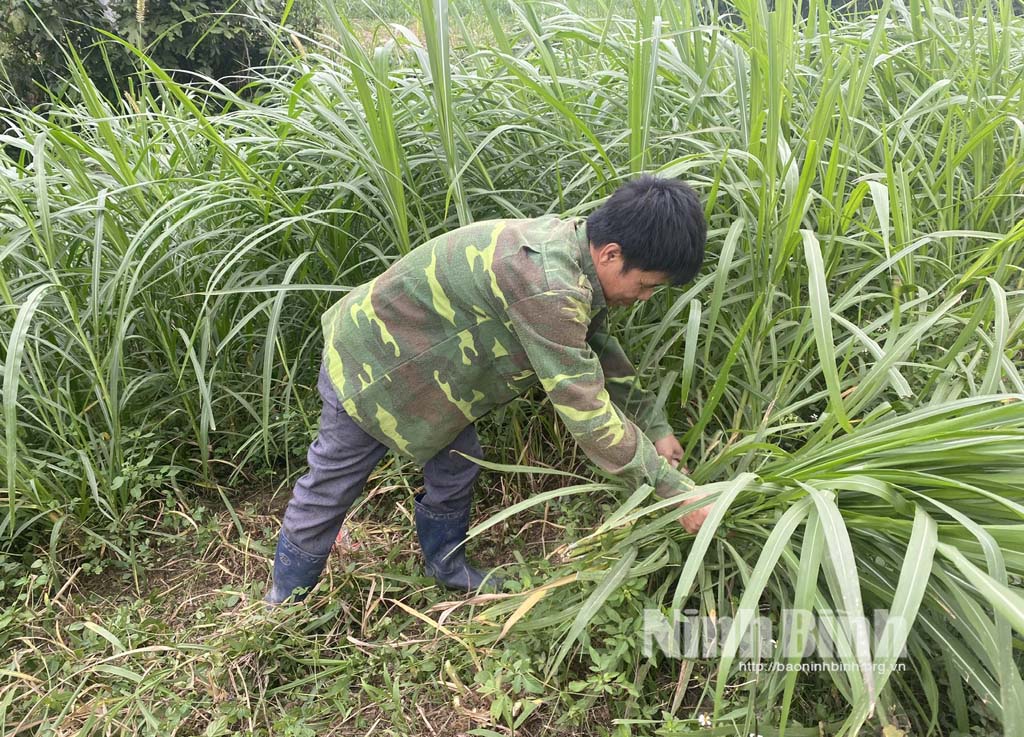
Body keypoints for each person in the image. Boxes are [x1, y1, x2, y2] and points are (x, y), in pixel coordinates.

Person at [266, 174, 711, 605]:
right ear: (613, 254)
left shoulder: (572, 251)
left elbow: (596, 347)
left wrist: (655, 427)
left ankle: (447, 569)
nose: (646, 297)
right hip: (370, 365)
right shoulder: (549, 287)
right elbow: (588, 412)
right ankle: (285, 604)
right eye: (648, 285)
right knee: (332, 483)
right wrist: (675, 491)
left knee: (457, 467)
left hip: (433, 375)